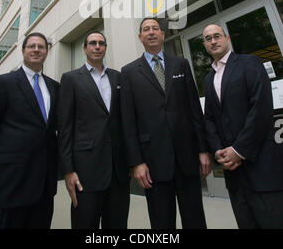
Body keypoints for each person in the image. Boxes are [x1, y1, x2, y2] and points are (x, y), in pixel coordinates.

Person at [120, 18, 211, 229]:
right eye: (146, 30)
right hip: (153, 163)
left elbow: (194, 110)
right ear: (140, 37)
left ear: (162, 34)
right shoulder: (129, 72)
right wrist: (136, 163)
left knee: (195, 218)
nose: (151, 32)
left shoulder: (181, 64)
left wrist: (203, 149)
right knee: (162, 222)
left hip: (187, 158)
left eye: (155, 29)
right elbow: (128, 121)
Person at [203, 23, 283, 229]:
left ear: (227, 38)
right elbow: (209, 119)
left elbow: (261, 109)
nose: (213, 41)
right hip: (234, 175)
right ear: (205, 44)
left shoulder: (249, 63)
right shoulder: (208, 78)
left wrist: (239, 150)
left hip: (260, 167)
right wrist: (218, 150)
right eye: (208, 38)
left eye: (217, 36)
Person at [0, 32, 59, 229]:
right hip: (7, 183)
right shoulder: (4, 83)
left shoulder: (55, 87)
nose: (36, 50)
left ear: (47, 52)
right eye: (31, 46)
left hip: (43, 187)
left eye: (40, 47)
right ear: (23, 50)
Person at [58, 31, 130, 229]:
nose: (97, 47)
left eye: (101, 43)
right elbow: (65, 127)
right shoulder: (71, 79)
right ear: (85, 48)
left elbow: (125, 122)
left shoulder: (118, 77)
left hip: (118, 171)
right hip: (85, 171)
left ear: (105, 48)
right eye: (92, 43)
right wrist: (67, 170)